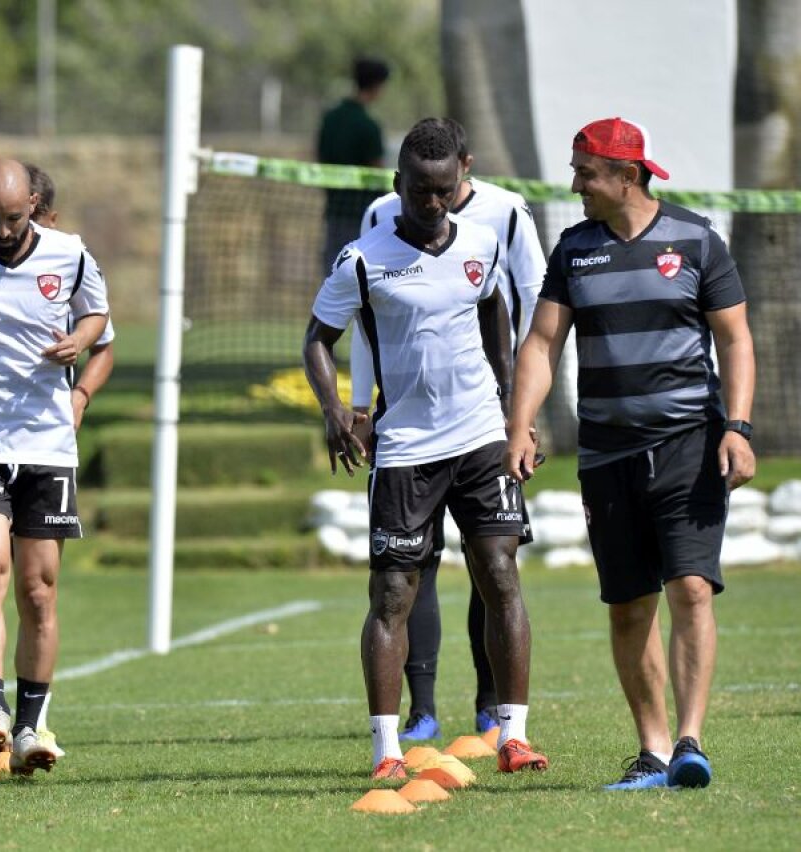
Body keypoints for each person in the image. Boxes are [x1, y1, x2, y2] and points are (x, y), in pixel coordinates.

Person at [506, 117, 756, 790]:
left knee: (693, 588)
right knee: (629, 603)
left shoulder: (698, 239)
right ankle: (650, 752)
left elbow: (734, 339)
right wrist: (520, 423)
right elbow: (540, 344)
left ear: (627, 176)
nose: (575, 184)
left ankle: (689, 742)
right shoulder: (574, 249)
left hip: (689, 445)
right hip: (606, 454)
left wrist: (738, 426)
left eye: (585, 172)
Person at [303, 120, 548, 781]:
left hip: (479, 438)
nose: (433, 203)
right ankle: (387, 750)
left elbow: (496, 310)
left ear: (458, 182)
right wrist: (336, 412)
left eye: (444, 191)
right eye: (420, 191)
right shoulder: (363, 259)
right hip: (406, 446)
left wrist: (510, 409)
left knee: (499, 572)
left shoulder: (482, 242)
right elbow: (317, 339)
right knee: (392, 593)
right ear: (398, 185)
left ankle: (512, 735)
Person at [0, 158, 108, 775]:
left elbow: (99, 320)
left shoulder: (70, 254)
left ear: (35, 203)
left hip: (46, 445)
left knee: (38, 590)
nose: (4, 230)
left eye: (15, 217)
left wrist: (80, 343)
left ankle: (33, 725)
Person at [26, 162, 114, 427]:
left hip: (47, 426)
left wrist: (80, 397)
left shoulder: (72, 263)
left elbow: (104, 348)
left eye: (35, 226)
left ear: (52, 220)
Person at [316, 56, 390, 270]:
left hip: (334, 212)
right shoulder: (368, 126)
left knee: (333, 275)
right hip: (362, 217)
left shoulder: (330, 119)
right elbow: (377, 171)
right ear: (377, 86)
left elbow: (319, 160)